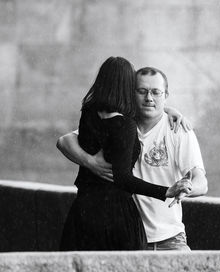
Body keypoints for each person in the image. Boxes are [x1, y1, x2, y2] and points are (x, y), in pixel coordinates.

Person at [57, 66, 208, 251]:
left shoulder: (178, 130)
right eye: (142, 91)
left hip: (167, 240)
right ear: (131, 93)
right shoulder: (119, 123)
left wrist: (186, 188)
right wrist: (92, 162)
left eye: (156, 92)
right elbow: (65, 141)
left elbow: (201, 181)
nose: (149, 98)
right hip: (124, 238)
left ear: (166, 94)